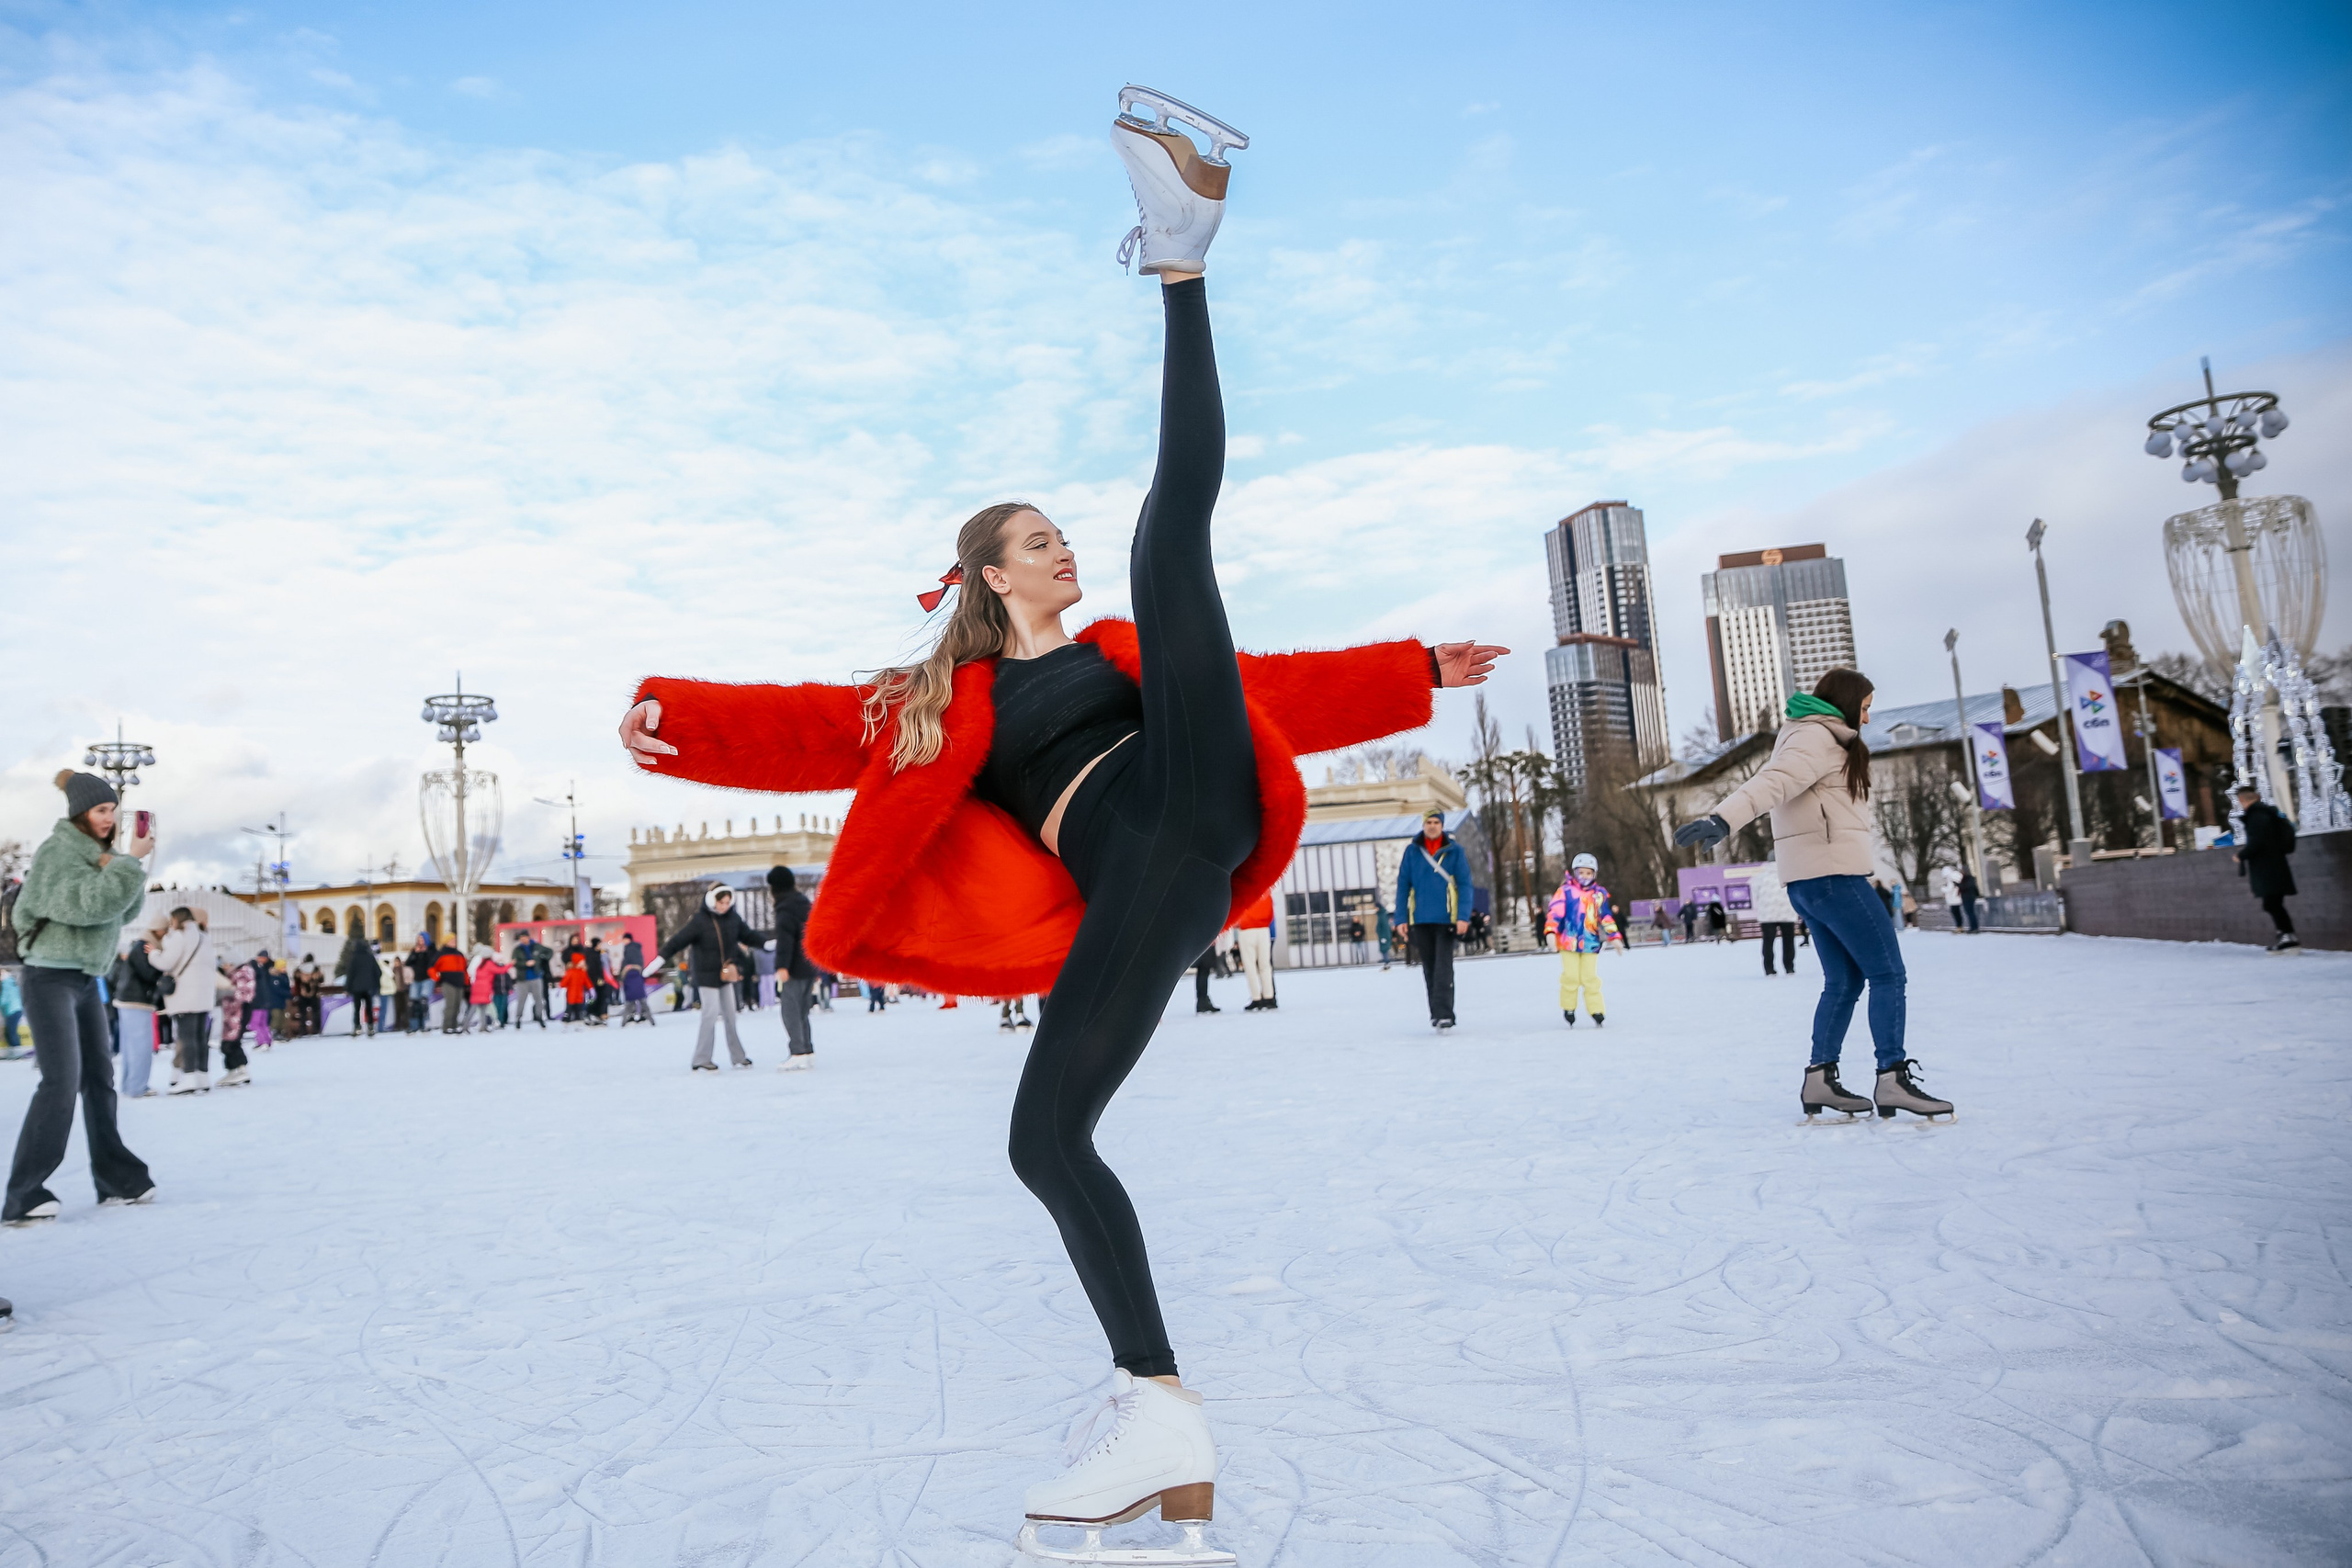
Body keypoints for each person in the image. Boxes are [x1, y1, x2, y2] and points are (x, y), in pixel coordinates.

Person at [616, 95, 1507, 1550]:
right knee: (1046, 1136)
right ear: (984, 573)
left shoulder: (1114, 652)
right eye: (1036, 542)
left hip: (1187, 790)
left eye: (1056, 537)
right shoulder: (935, 698)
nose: (1059, 552)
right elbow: (798, 722)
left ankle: (1183, 257)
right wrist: (676, 718)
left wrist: (1409, 670)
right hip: (1147, 875)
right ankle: (1158, 1408)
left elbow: (1260, 679)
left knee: (1175, 539)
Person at [1677, 670, 1952, 1122]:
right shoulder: (1814, 738)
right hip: (1832, 878)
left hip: (1811, 880)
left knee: (1844, 981)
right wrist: (1723, 819)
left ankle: (1820, 1079)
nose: (1867, 716)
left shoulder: (1822, 738)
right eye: (1864, 707)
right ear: (1844, 702)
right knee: (1888, 975)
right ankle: (1892, 1078)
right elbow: (1773, 782)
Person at [5, 770, 157, 1225]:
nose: (110, 819)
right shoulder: (58, 853)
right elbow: (86, 906)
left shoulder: (102, 854)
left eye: (113, 810)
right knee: (60, 1081)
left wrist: (131, 865)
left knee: (98, 1079)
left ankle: (116, 1178)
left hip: (87, 979)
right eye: (101, 810)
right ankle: (24, 1193)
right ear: (80, 813)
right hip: (48, 976)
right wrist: (129, 863)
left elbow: (122, 908)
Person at [660, 886, 762, 1070]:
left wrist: (765, 942)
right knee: (710, 1014)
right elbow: (679, 940)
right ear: (712, 900)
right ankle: (701, 1058)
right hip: (706, 976)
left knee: (731, 1015)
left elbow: (748, 935)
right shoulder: (700, 920)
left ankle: (738, 1056)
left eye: (727, 903)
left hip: (725, 974)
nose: (724, 906)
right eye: (721, 902)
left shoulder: (733, 918)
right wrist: (662, 956)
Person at [1395, 809, 1476, 1031]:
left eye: (1436, 822)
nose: (1432, 826)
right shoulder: (1412, 852)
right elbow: (1403, 886)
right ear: (1423, 825)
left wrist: (1463, 917)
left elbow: (1466, 885)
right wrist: (1400, 917)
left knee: (1443, 967)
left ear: (1442, 826)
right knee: (1429, 967)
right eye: (1428, 822)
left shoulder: (1455, 851)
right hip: (1419, 919)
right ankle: (1436, 1013)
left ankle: (1445, 1014)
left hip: (1447, 919)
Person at [158, 907, 238, 1090]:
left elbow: (166, 962)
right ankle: (202, 1077)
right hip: (204, 996)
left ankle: (189, 1077)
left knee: (186, 1038)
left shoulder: (179, 936)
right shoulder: (205, 938)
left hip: (186, 995)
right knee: (200, 1037)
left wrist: (154, 954)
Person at [1547, 853, 1623, 1028]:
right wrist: (1551, 931)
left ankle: (1596, 1010)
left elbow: (1606, 916)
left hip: (1590, 942)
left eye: (1589, 873)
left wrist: (1614, 937)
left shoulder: (1599, 894)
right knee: (1571, 977)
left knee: (1590, 978)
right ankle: (1569, 1007)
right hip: (1569, 942)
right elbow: (1555, 912)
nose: (1585, 877)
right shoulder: (1565, 891)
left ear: (1594, 874)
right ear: (1575, 873)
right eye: (1581, 873)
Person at [2234, 784, 2301, 952]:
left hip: (2269, 867)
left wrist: (2241, 855)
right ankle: (2286, 935)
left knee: (2271, 903)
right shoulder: (2266, 813)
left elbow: (2258, 841)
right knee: (2272, 903)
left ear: (2242, 800)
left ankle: (2288, 936)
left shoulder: (2257, 816)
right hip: (2274, 865)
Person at [767, 865, 820, 1068]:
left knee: (790, 1011)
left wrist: (782, 966)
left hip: (793, 968)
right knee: (802, 1011)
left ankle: (798, 1052)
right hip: (807, 964)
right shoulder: (803, 903)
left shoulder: (785, 908)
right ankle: (807, 1050)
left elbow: (785, 941)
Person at [108, 929, 167, 1098]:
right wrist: (158, 959)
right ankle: (138, 1087)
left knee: (130, 1047)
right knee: (140, 1046)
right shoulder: (144, 948)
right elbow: (149, 974)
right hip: (137, 1002)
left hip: (126, 1001)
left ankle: (130, 1085)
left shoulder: (137, 947)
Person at [1749, 863, 1799, 977]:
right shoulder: (1788, 874)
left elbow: (1755, 894)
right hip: (1787, 912)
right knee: (1788, 941)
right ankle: (1789, 967)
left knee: (1768, 942)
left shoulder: (1760, 876)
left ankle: (1769, 968)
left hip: (1767, 914)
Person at [1234, 893, 1276, 1010]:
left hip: (1247, 930)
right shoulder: (1266, 894)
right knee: (1265, 965)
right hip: (1263, 929)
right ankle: (1269, 996)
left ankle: (1256, 997)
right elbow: (1271, 914)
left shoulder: (1245, 892)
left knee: (1250, 966)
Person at [337, 927, 380, 1035]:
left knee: (357, 1008)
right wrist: (376, 984)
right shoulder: (370, 957)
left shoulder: (354, 959)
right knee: (369, 1008)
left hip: (356, 988)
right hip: (368, 987)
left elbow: (350, 974)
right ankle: (370, 1026)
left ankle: (357, 1027)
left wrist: (347, 988)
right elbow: (378, 972)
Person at [403, 934, 436, 1032]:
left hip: (427, 978)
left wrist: (425, 953)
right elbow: (408, 963)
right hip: (416, 979)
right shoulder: (415, 950)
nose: (420, 941)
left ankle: (426, 1024)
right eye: (418, 939)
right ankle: (414, 1025)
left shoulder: (431, 950)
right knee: (413, 1003)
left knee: (424, 1001)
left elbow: (433, 962)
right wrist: (416, 954)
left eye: (422, 939)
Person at [618, 933, 653, 1025]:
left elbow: (625, 963)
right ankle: (650, 1020)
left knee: (630, 1001)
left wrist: (621, 976)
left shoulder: (629, 949)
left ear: (627, 939)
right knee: (642, 1000)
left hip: (629, 977)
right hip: (637, 977)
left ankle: (625, 1021)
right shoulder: (637, 949)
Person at [291, 954, 323, 1036]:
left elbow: (295, 978)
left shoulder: (299, 970)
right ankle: (316, 1030)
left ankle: (303, 1031)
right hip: (314, 994)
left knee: (303, 1014)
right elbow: (321, 980)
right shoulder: (316, 969)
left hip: (302, 994)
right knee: (316, 1013)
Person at [1957, 867, 1983, 934]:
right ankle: (1973, 927)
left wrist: (1958, 885)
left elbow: (1966, 887)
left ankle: (1974, 928)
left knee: (1970, 913)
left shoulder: (1969, 879)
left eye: (1962, 871)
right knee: (1969, 913)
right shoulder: (1967, 879)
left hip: (1968, 898)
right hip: (1967, 897)